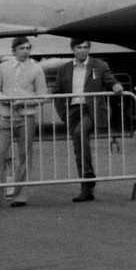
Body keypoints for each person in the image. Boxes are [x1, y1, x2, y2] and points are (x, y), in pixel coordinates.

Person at [49, 40, 124, 202]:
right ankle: (86, 188)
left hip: (92, 109)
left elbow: (111, 81)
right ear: (72, 49)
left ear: (89, 49)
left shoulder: (100, 65)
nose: (82, 51)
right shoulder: (64, 69)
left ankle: (88, 175)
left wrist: (117, 86)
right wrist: (64, 114)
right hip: (73, 110)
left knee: (80, 132)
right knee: (78, 145)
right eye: (79, 48)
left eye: (85, 48)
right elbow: (56, 92)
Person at [0, 38, 48, 209]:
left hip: (26, 117)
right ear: (14, 50)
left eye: (27, 48)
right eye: (22, 48)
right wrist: (6, 99)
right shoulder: (4, 67)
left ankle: (20, 196)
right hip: (6, 116)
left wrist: (24, 101)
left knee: (24, 155)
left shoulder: (37, 69)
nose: (25, 51)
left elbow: (43, 96)